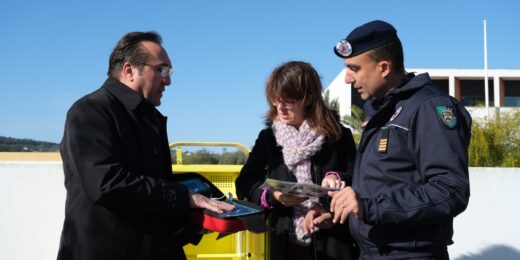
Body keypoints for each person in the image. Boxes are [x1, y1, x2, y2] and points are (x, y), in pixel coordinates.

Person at [57, 31, 234, 260]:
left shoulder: (149, 117)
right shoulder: (90, 111)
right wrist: (184, 197)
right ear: (130, 70)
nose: (168, 80)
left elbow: (152, 194)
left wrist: (194, 220)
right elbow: (105, 183)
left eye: (169, 71)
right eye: (162, 70)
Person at [329, 20, 472, 259]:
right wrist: (342, 202)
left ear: (384, 68)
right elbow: (386, 180)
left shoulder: (428, 108)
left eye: (354, 68)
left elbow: (450, 190)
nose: (347, 79)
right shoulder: (383, 110)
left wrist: (369, 207)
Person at [235, 61, 359, 260]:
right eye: (276, 100)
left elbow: (359, 179)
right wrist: (273, 197)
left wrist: (336, 180)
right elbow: (244, 183)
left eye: (288, 101)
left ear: (309, 98)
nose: (280, 108)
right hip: (286, 242)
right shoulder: (268, 138)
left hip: (335, 243)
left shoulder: (339, 136)